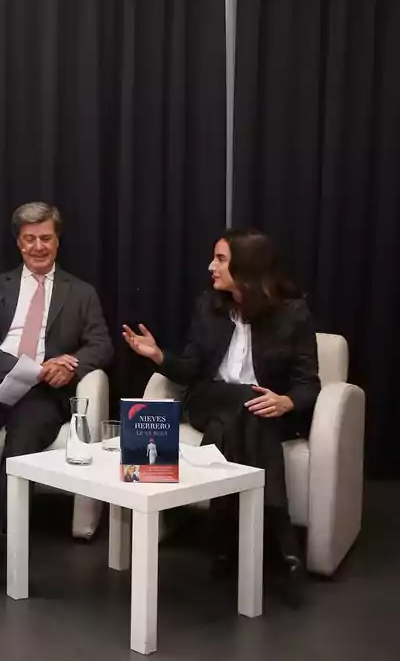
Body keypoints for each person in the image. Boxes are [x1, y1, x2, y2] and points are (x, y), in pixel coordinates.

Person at [123, 228, 317, 602]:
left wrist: (286, 402)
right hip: (209, 398)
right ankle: (283, 538)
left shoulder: (292, 313)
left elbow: (309, 383)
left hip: (261, 410)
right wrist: (158, 356)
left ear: (247, 266)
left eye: (221, 259)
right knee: (242, 404)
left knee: (241, 416)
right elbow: (192, 370)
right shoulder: (207, 306)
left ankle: (224, 538)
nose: (211, 266)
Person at [0, 202, 113, 580]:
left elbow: (101, 345)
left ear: (57, 241)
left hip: (45, 392)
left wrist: (68, 365)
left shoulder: (80, 293)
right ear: (19, 243)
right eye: (29, 239)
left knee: (24, 437)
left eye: (46, 239)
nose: (38, 247)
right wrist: (26, 369)